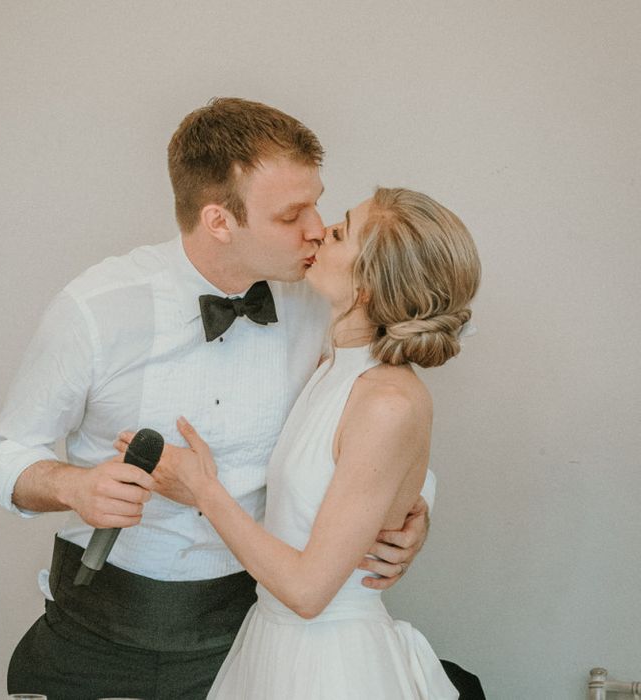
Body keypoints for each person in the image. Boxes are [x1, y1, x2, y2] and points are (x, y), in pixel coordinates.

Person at [0, 98, 434, 700]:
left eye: (318, 203)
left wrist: (412, 512)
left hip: (244, 636)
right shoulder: (96, 308)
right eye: (292, 213)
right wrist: (72, 487)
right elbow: (3, 453)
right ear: (220, 220)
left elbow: (375, 423)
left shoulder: (327, 302)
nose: (317, 228)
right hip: (99, 625)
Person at [142, 187, 481, 699]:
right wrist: (416, 505)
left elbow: (307, 591)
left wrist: (203, 491)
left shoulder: (387, 401)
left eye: (341, 232)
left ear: (367, 286)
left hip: (330, 665)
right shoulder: (332, 364)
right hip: (270, 645)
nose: (321, 231)